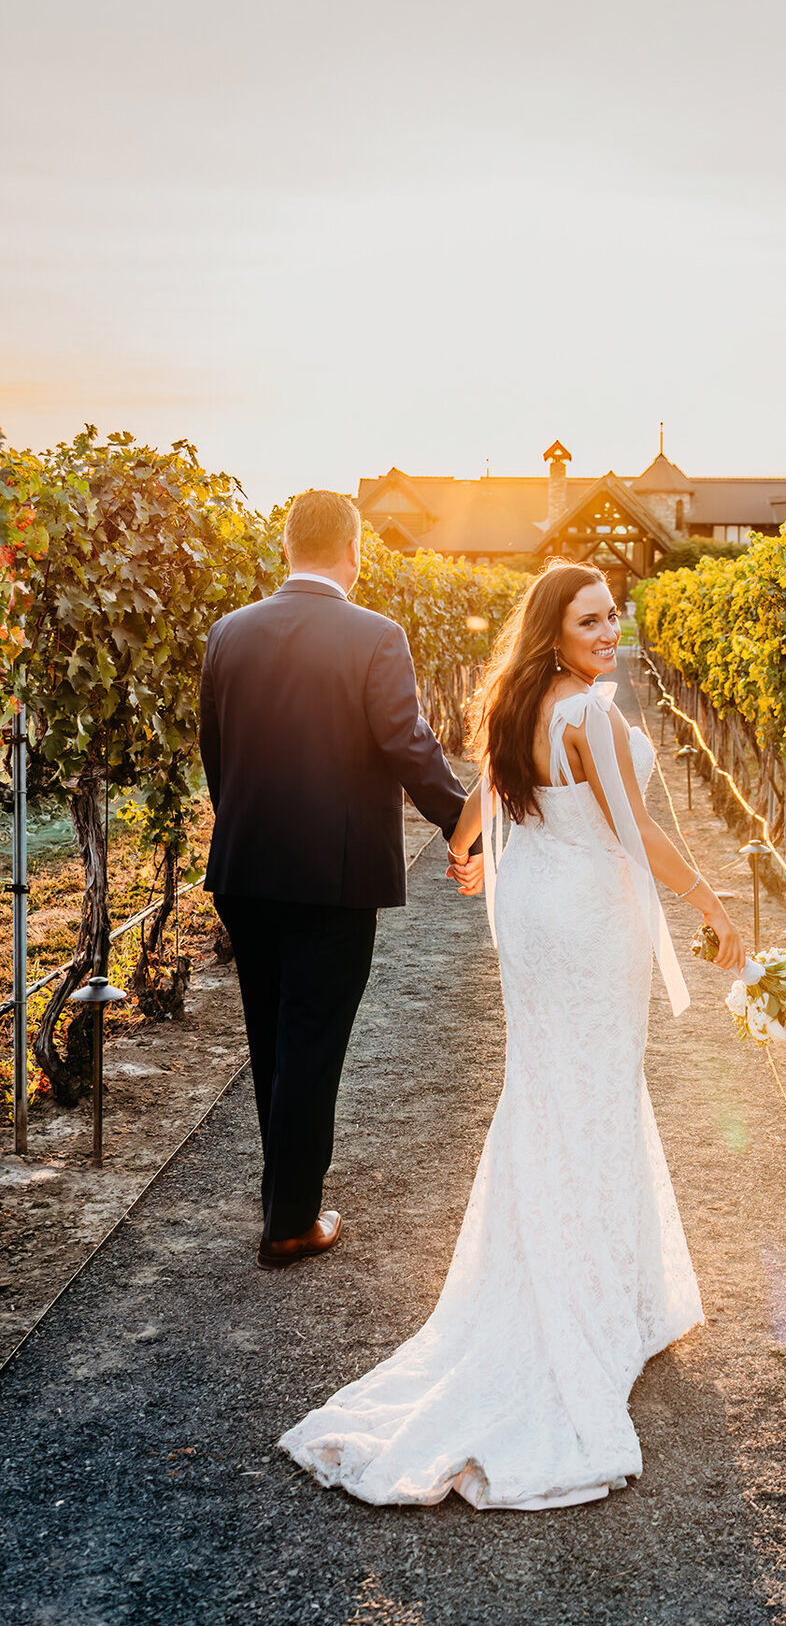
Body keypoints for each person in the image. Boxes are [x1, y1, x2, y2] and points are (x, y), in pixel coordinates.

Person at [280, 560, 743, 1509]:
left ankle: (588, 1281)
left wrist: (460, 851)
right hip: (589, 925)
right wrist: (710, 899)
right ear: (553, 629)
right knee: (599, 1091)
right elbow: (635, 832)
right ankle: (590, 1302)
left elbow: (482, 797)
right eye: (589, 619)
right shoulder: (591, 716)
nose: (609, 630)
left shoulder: (513, 704)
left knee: (550, 1089)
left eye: (614, 614)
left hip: (541, 923)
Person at [199, 490, 478, 1270]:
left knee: (273, 1040)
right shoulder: (376, 635)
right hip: (335, 876)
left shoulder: (228, 632)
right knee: (312, 1044)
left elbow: (214, 754)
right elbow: (409, 748)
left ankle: (281, 1197)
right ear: (355, 551)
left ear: (285, 547)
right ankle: (289, 1222)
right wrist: (468, 828)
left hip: (247, 872)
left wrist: (246, 838)